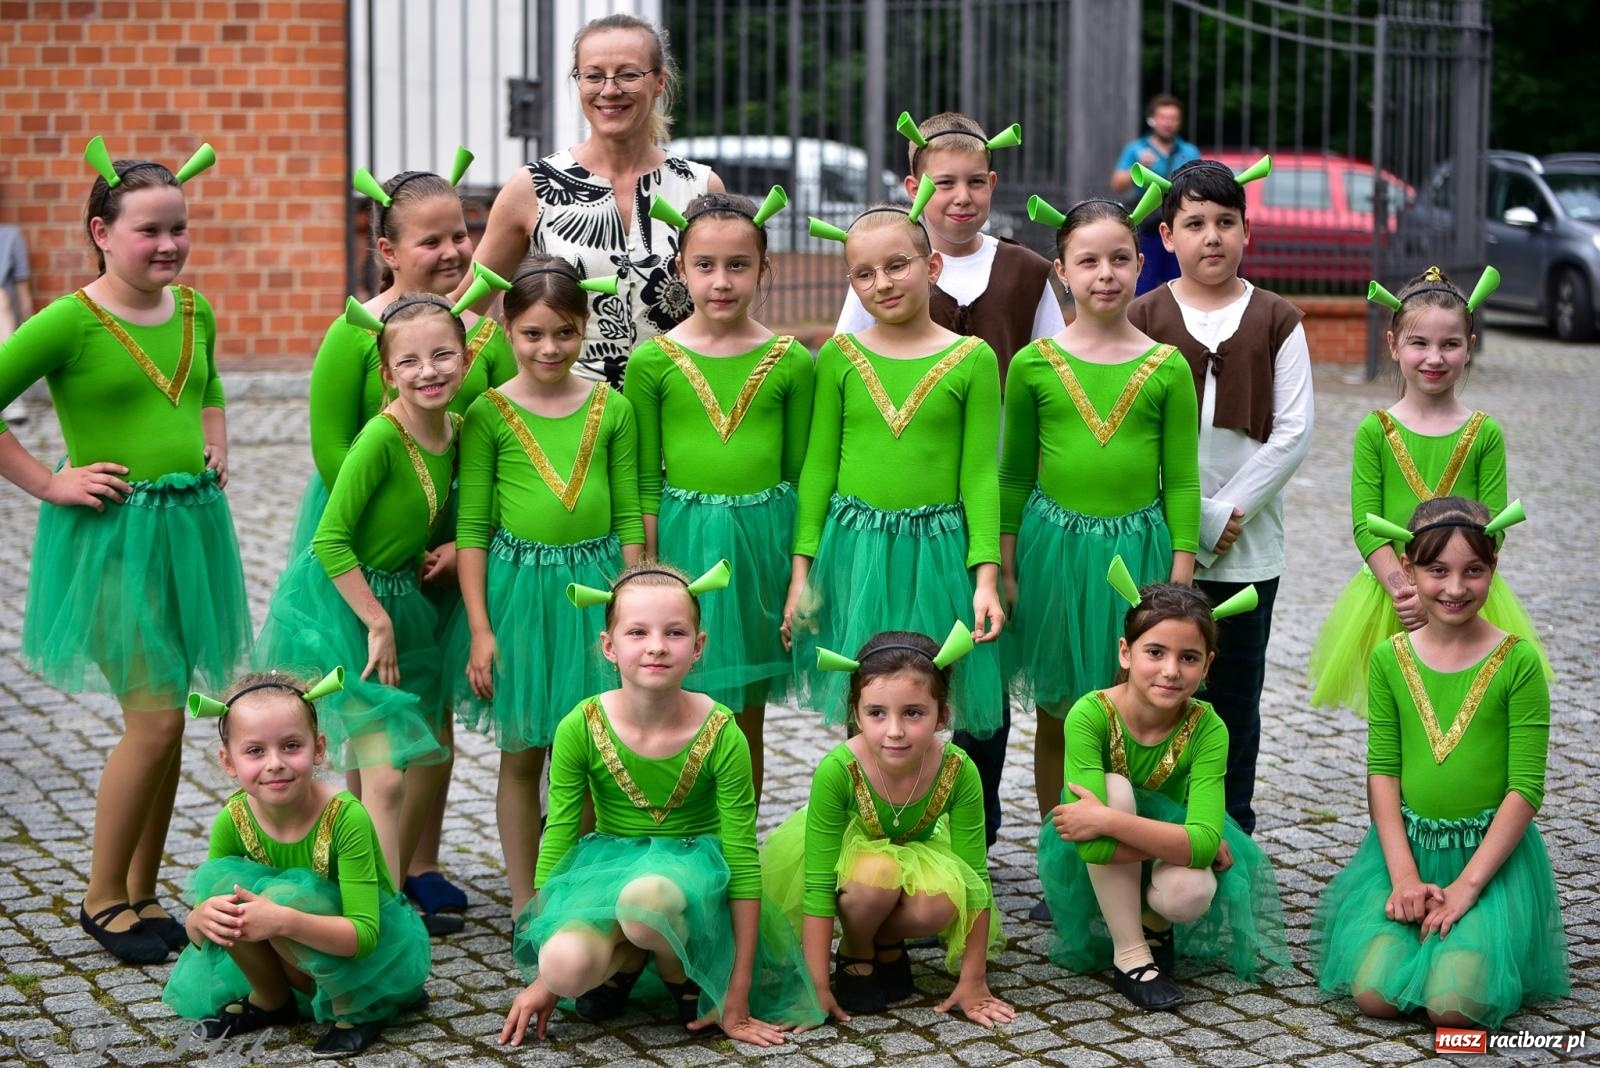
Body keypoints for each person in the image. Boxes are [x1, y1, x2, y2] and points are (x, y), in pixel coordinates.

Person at [0, 137, 250, 965]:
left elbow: (207, 387)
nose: (169, 244)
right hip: (111, 540)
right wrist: (48, 481)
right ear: (101, 232)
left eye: (179, 227)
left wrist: (215, 440)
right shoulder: (69, 320)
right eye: (149, 230)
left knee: (170, 723)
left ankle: (143, 891)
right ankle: (101, 896)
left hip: (189, 535)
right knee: (153, 719)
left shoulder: (194, 310)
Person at [832, 109, 1063, 848]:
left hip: (981, 504)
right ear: (914, 188)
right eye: (943, 183)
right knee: (889, 675)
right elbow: (851, 381)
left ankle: (974, 828)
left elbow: (1054, 377)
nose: (959, 197)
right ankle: (883, 822)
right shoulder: (881, 262)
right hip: (892, 521)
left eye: (974, 182)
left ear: (992, 183)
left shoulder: (1027, 272)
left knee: (973, 677)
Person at [304, 159, 517, 932]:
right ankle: (370, 868)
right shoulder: (355, 333)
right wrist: (398, 531)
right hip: (371, 541)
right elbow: (333, 447)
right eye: (432, 240)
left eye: (461, 234)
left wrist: (462, 541)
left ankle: (420, 863)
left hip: (452, 546)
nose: (454, 250)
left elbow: (499, 442)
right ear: (388, 250)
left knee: (435, 711)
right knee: (376, 717)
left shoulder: (482, 338)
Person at [499, 563, 818, 1047]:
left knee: (646, 900)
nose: (656, 646)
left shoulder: (721, 730)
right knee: (563, 966)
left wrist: (736, 994)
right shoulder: (580, 725)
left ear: (698, 645)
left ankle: (680, 969)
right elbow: (559, 837)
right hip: (608, 862)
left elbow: (741, 856)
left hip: (692, 872)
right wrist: (543, 975)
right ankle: (627, 959)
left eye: (674, 632)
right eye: (637, 632)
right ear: (609, 646)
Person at [1002, 194, 1200, 882]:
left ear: (1141, 263)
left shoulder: (1167, 366)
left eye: (1119, 258)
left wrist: (1179, 577)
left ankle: (1135, 858)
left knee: (1140, 709)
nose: (1105, 274)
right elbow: (1013, 473)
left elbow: (1181, 480)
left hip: (1138, 560)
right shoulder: (1033, 364)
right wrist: (1005, 563)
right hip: (1054, 554)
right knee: (1060, 712)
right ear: (1061, 271)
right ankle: (1063, 866)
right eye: (1088, 261)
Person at [1313, 498, 1568, 1029]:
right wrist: (1404, 877)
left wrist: (1467, 888)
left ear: (1494, 566)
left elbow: (1525, 787)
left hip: (1488, 864)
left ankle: (1471, 952)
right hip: (1410, 853)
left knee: (1452, 1009)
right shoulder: (1390, 657)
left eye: (1473, 570)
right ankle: (1423, 939)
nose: (1455, 587)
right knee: (1375, 996)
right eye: (1438, 571)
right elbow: (1383, 770)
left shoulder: (1518, 662)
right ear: (1408, 571)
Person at [443, 252, 644, 916]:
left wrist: (629, 606)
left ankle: (575, 887)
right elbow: (472, 528)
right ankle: (525, 897)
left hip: (596, 594)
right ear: (506, 330)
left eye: (564, 332)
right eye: (532, 334)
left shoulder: (612, 408)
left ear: (585, 327)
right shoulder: (489, 414)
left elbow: (627, 516)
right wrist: (480, 629)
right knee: (523, 751)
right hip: (520, 598)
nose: (549, 348)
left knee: (587, 750)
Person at [256, 291, 475, 894]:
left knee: (406, 758)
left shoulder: (455, 431)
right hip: (346, 606)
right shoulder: (381, 437)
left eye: (442, 356)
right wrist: (377, 622)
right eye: (409, 361)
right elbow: (331, 540)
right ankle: (375, 914)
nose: (427, 372)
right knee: (384, 776)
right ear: (387, 374)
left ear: (465, 360)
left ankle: (372, 889)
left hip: (404, 598)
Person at [1126, 156, 1312, 834]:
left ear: (1246, 232)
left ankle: (1228, 832)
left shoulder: (1279, 319)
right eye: (1195, 223)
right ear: (1167, 235)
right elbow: (1125, 433)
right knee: (1152, 695)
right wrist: (1193, 517)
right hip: (1157, 540)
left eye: (1226, 223)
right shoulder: (1142, 316)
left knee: (1233, 699)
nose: (1212, 237)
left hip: (1248, 548)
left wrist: (1227, 513)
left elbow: (1294, 431)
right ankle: (1148, 832)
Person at [788, 188, 1005, 740]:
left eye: (896, 265)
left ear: (932, 267)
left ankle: (935, 796)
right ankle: (865, 794)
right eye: (863, 274)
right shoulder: (838, 356)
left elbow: (981, 475)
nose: (881, 283)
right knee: (864, 694)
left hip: (938, 552)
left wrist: (986, 578)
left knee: (928, 696)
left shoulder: (972, 359)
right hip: (855, 552)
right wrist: (802, 576)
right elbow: (818, 469)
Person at [624, 188, 813, 801]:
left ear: (764, 268)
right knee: (675, 695)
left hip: (762, 548)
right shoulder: (653, 362)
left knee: (744, 715)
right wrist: (648, 569)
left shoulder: (791, 361)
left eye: (738, 265)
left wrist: (799, 571)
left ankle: (736, 839)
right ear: (681, 268)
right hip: (685, 545)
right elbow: (644, 478)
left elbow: (800, 474)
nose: (722, 281)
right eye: (705, 265)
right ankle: (674, 821)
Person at [1038, 564, 1288, 1012]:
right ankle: (1132, 955)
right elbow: (1093, 847)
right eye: (1155, 652)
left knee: (1188, 892)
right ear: (1125, 652)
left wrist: (1108, 821)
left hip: (1138, 841)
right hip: (1093, 857)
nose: (1171, 671)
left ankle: (1154, 917)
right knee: (1114, 788)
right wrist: (1187, 845)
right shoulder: (1090, 715)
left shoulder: (1208, 728)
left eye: (1189, 658)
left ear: (1207, 665)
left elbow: (1203, 842)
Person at [1307, 266, 1551, 717]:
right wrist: (1407, 591)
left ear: (1469, 347)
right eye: (1419, 343)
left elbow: (1495, 526)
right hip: (1393, 598)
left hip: (1462, 592)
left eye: (1450, 344)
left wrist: (1446, 585)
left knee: (1465, 705)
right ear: (1393, 344)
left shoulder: (1484, 434)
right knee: (1396, 713)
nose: (1434, 358)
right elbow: (1366, 524)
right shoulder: (1375, 431)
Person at [162, 670, 431, 1058]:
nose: (275, 763)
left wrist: (283, 920)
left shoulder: (346, 817)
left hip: (368, 962)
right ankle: (271, 999)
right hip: (291, 959)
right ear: (228, 761)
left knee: (283, 896)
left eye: (291, 746)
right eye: (255, 751)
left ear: (318, 748)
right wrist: (197, 920)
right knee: (224, 892)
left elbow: (365, 935)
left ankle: (356, 1010)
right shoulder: (234, 818)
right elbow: (210, 911)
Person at [762, 624, 1012, 1026]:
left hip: (919, 852)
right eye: (877, 713)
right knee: (878, 872)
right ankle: (857, 948)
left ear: (943, 715)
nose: (894, 731)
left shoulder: (958, 770)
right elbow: (819, 884)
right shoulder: (838, 770)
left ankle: (885, 937)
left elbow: (974, 877)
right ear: (855, 714)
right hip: (852, 864)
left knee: (943, 900)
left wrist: (974, 981)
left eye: (913, 713)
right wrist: (815, 988)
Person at [467, 13, 724, 387]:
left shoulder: (700, 187)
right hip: (568, 412)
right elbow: (466, 306)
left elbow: (729, 312)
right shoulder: (533, 186)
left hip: (678, 406)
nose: (610, 89)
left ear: (658, 82)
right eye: (593, 75)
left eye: (628, 74)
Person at [1110, 95, 1200, 294]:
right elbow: (1117, 184)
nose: (1168, 123)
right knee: (1143, 286)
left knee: (1181, 285)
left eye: (1173, 118)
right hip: (1147, 227)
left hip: (1178, 226)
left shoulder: (1189, 151)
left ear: (1179, 122)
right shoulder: (1136, 149)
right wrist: (1138, 168)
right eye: (1163, 118)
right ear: (1152, 120)